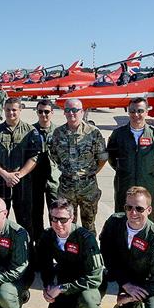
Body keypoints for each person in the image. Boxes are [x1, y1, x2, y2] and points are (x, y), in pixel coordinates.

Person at [38, 199, 103, 308]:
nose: (58, 224)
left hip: (87, 285)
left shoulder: (85, 238)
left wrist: (61, 287)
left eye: (63, 219)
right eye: (54, 218)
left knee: (89, 303)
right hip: (65, 286)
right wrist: (47, 284)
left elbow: (95, 277)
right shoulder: (47, 236)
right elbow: (44, 264)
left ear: (72, 218)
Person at [0, 97, 39, 253]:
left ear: (20, 110)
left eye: (14, 109)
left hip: (23, 182)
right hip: (1, 181)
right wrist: (5, 175)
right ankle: (1, 252)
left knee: (25, 219)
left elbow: (34, 157)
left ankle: (27, 253)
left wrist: (18, 175)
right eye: (8, 109)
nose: (11, 113)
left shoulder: (30, 131)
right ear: (4, 110)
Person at [106, 97, 154, 221]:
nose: (136, 115)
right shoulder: (119, 134)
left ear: (147, 112)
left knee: (147, 218)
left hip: (147, 185)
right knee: (122, 217)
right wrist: (123, 171)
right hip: (124, 185)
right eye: (132, 111)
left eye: (140, 111)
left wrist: (152, 176)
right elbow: (111, 156)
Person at [49, 98, 108, 232]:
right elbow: (54, 155)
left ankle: (90, 252)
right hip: (66, 187)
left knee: (89, 225)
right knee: (66, 225)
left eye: (75, 110)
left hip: (88, 188)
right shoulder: (58, 133)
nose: (71, 113)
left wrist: (91, 172)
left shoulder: (93, 132)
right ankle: (69, 252)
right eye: (68, 110)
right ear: (64, 112)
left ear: (82, 112)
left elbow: (102, 157)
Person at [30, 99, 60, 249]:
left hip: (54, 181)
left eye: (46, 111)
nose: (43, 115)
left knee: (55, 214)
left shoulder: (59, 132)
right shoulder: (30, 131)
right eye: (40, 111)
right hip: (35, 180)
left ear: (52, 113)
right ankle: (40, 246)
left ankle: (55, 245)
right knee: (36, 215)